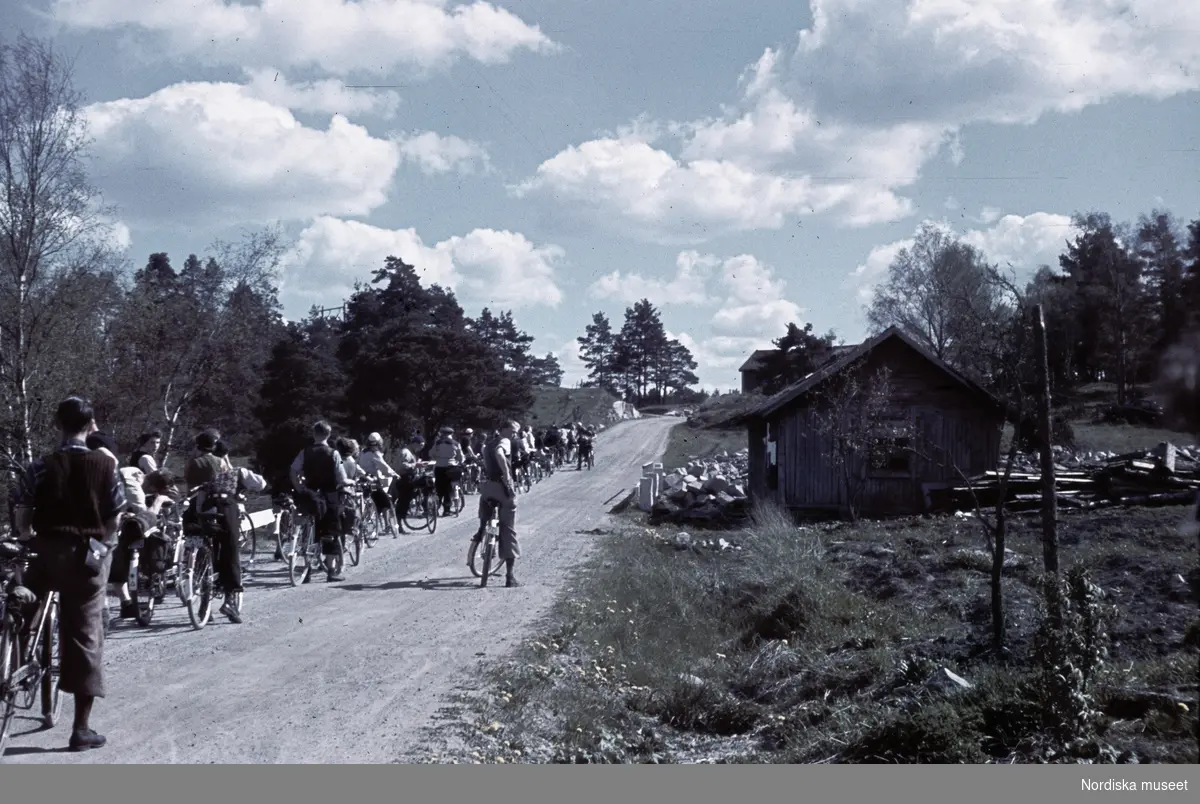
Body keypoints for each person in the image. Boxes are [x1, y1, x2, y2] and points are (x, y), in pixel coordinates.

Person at [10, 396, 125, 751]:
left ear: (57, 425)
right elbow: (114, 518)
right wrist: (102, 546)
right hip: (85, 561)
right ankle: (81, 729)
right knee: (86, 634)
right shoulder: (107, 467)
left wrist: (27, 535)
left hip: (46, 555)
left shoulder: (40, 466)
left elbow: (23, 511)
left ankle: (14, 657)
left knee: (23, 601)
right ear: (91, 426)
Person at [87, 432, 169, 621]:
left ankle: (125, 602)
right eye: (154, 442)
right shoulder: (134, 468)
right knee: (141, 527)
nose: (156, 445)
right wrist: (157, 502)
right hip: (110, 523)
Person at [183, 429, 247, 622]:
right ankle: (230, 600)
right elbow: (228, 484)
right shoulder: (220, 462)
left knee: (204, 554)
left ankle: (204, 608)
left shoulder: (190, 464)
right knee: (230, 551)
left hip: (195, 511)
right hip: (218, 510)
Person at [289, 420, 349, 582]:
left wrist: (300, 487)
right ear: (329, 435)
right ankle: (331, 571)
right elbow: (342, 477)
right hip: (329, 496)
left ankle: (306, 570)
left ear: (314, 434)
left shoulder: (305, 452)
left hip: (310, 495)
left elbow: (293, 470)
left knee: (309, 532)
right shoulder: (333, 453)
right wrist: (348, 482)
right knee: (331, 532)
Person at [475, 420, 522, 588]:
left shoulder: (488, 442)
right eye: (513, 430)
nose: (515, 433)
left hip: (488, 486)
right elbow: (500, 453)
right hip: (502, 488)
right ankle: (510, 576)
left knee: (488, 513)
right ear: (504, 429)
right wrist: (507, 475)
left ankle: (484, 535)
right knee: (508, 529)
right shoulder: (504, 441)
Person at [356, 432, 400, 536]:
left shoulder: (362, 452)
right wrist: (395, 474)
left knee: (369, 501)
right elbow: (384, 467)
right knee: (385, 501)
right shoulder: (374, 454)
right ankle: (387, 525)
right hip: (372, 481)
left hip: (361, 480)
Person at [430, 426, 465, 516]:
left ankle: (435, 508)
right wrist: (459, 461)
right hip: (451, 467)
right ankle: (446, 510)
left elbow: (431, 454)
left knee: (439, 488)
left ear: (442, 434)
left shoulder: (437, 443)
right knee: (448, 489)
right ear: (451, 434)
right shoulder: (455, 444)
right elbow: (460, 457)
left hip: (439, 467)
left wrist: (438, 459)